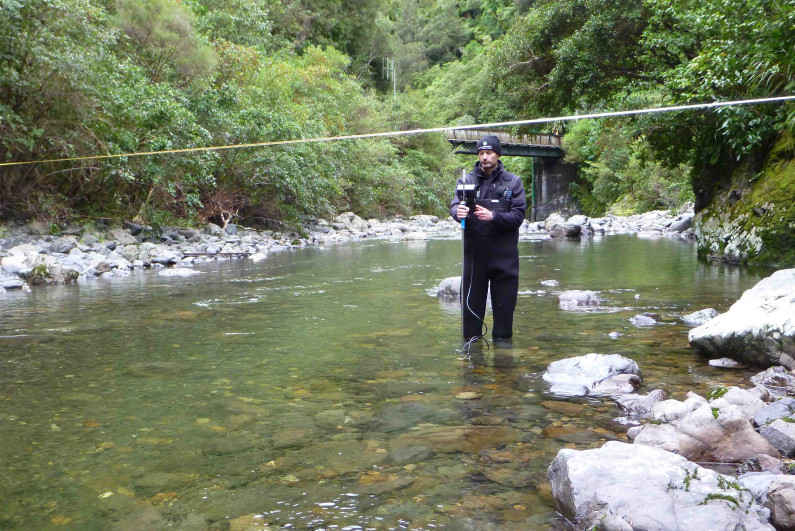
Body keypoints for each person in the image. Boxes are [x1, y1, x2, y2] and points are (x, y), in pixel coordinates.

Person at [450, 135, 526, 342]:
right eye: (481, 153)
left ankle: (504, 364)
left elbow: (518, 216)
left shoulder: (514, 182)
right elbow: (454, 205)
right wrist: (459, 213)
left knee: (503, 322)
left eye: (489, 153)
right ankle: (473, 365)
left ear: (498, 154)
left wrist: (494, 216)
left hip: (505, 260)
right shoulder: (466, 181)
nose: (484, 157)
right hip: (475, 260)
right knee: (470, 324)